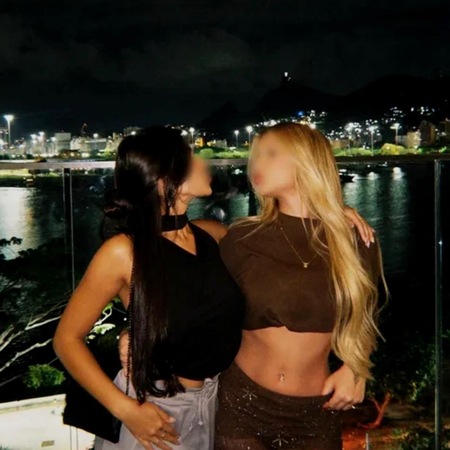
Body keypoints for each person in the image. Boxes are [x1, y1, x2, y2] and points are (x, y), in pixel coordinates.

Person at [53, 126, 245, 450]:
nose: (202, 161)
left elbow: (272, 245)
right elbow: (66, 340)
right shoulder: (123, 251)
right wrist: (127, 410)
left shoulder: (213, 235)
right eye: (190, 156)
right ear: (164, 180)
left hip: (213, 402)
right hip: (153, 410)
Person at [214, 122, 386, 450]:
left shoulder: (354, 239)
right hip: (241, 404)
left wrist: (356, 368)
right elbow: (197, 293)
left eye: (271, 153)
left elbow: (365, 313)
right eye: (256, 155)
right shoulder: (242, 238)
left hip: (316, 409)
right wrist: (136, 334)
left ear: (307, 160)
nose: (257, 164)